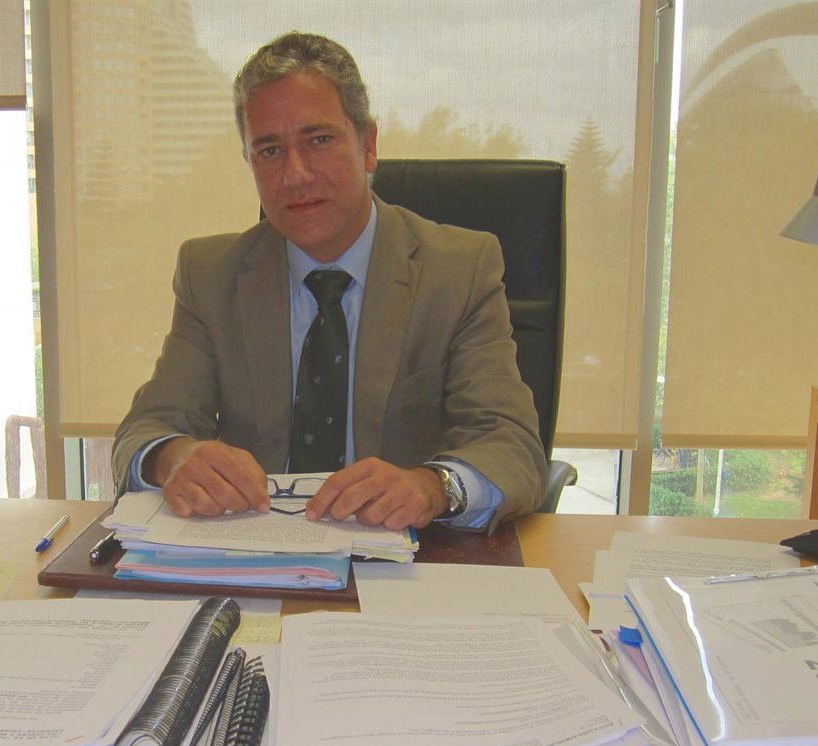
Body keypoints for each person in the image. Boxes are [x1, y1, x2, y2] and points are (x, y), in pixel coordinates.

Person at [112, 31, 547, 532]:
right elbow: (144, 430)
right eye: (269, 150)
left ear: (368, 146)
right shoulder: (211, 275)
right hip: (253, 550)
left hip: (405, 553)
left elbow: (512, 444)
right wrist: (172, 456)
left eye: (319, 140)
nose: (295, 174)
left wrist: (433, 487)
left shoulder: (459, 270)